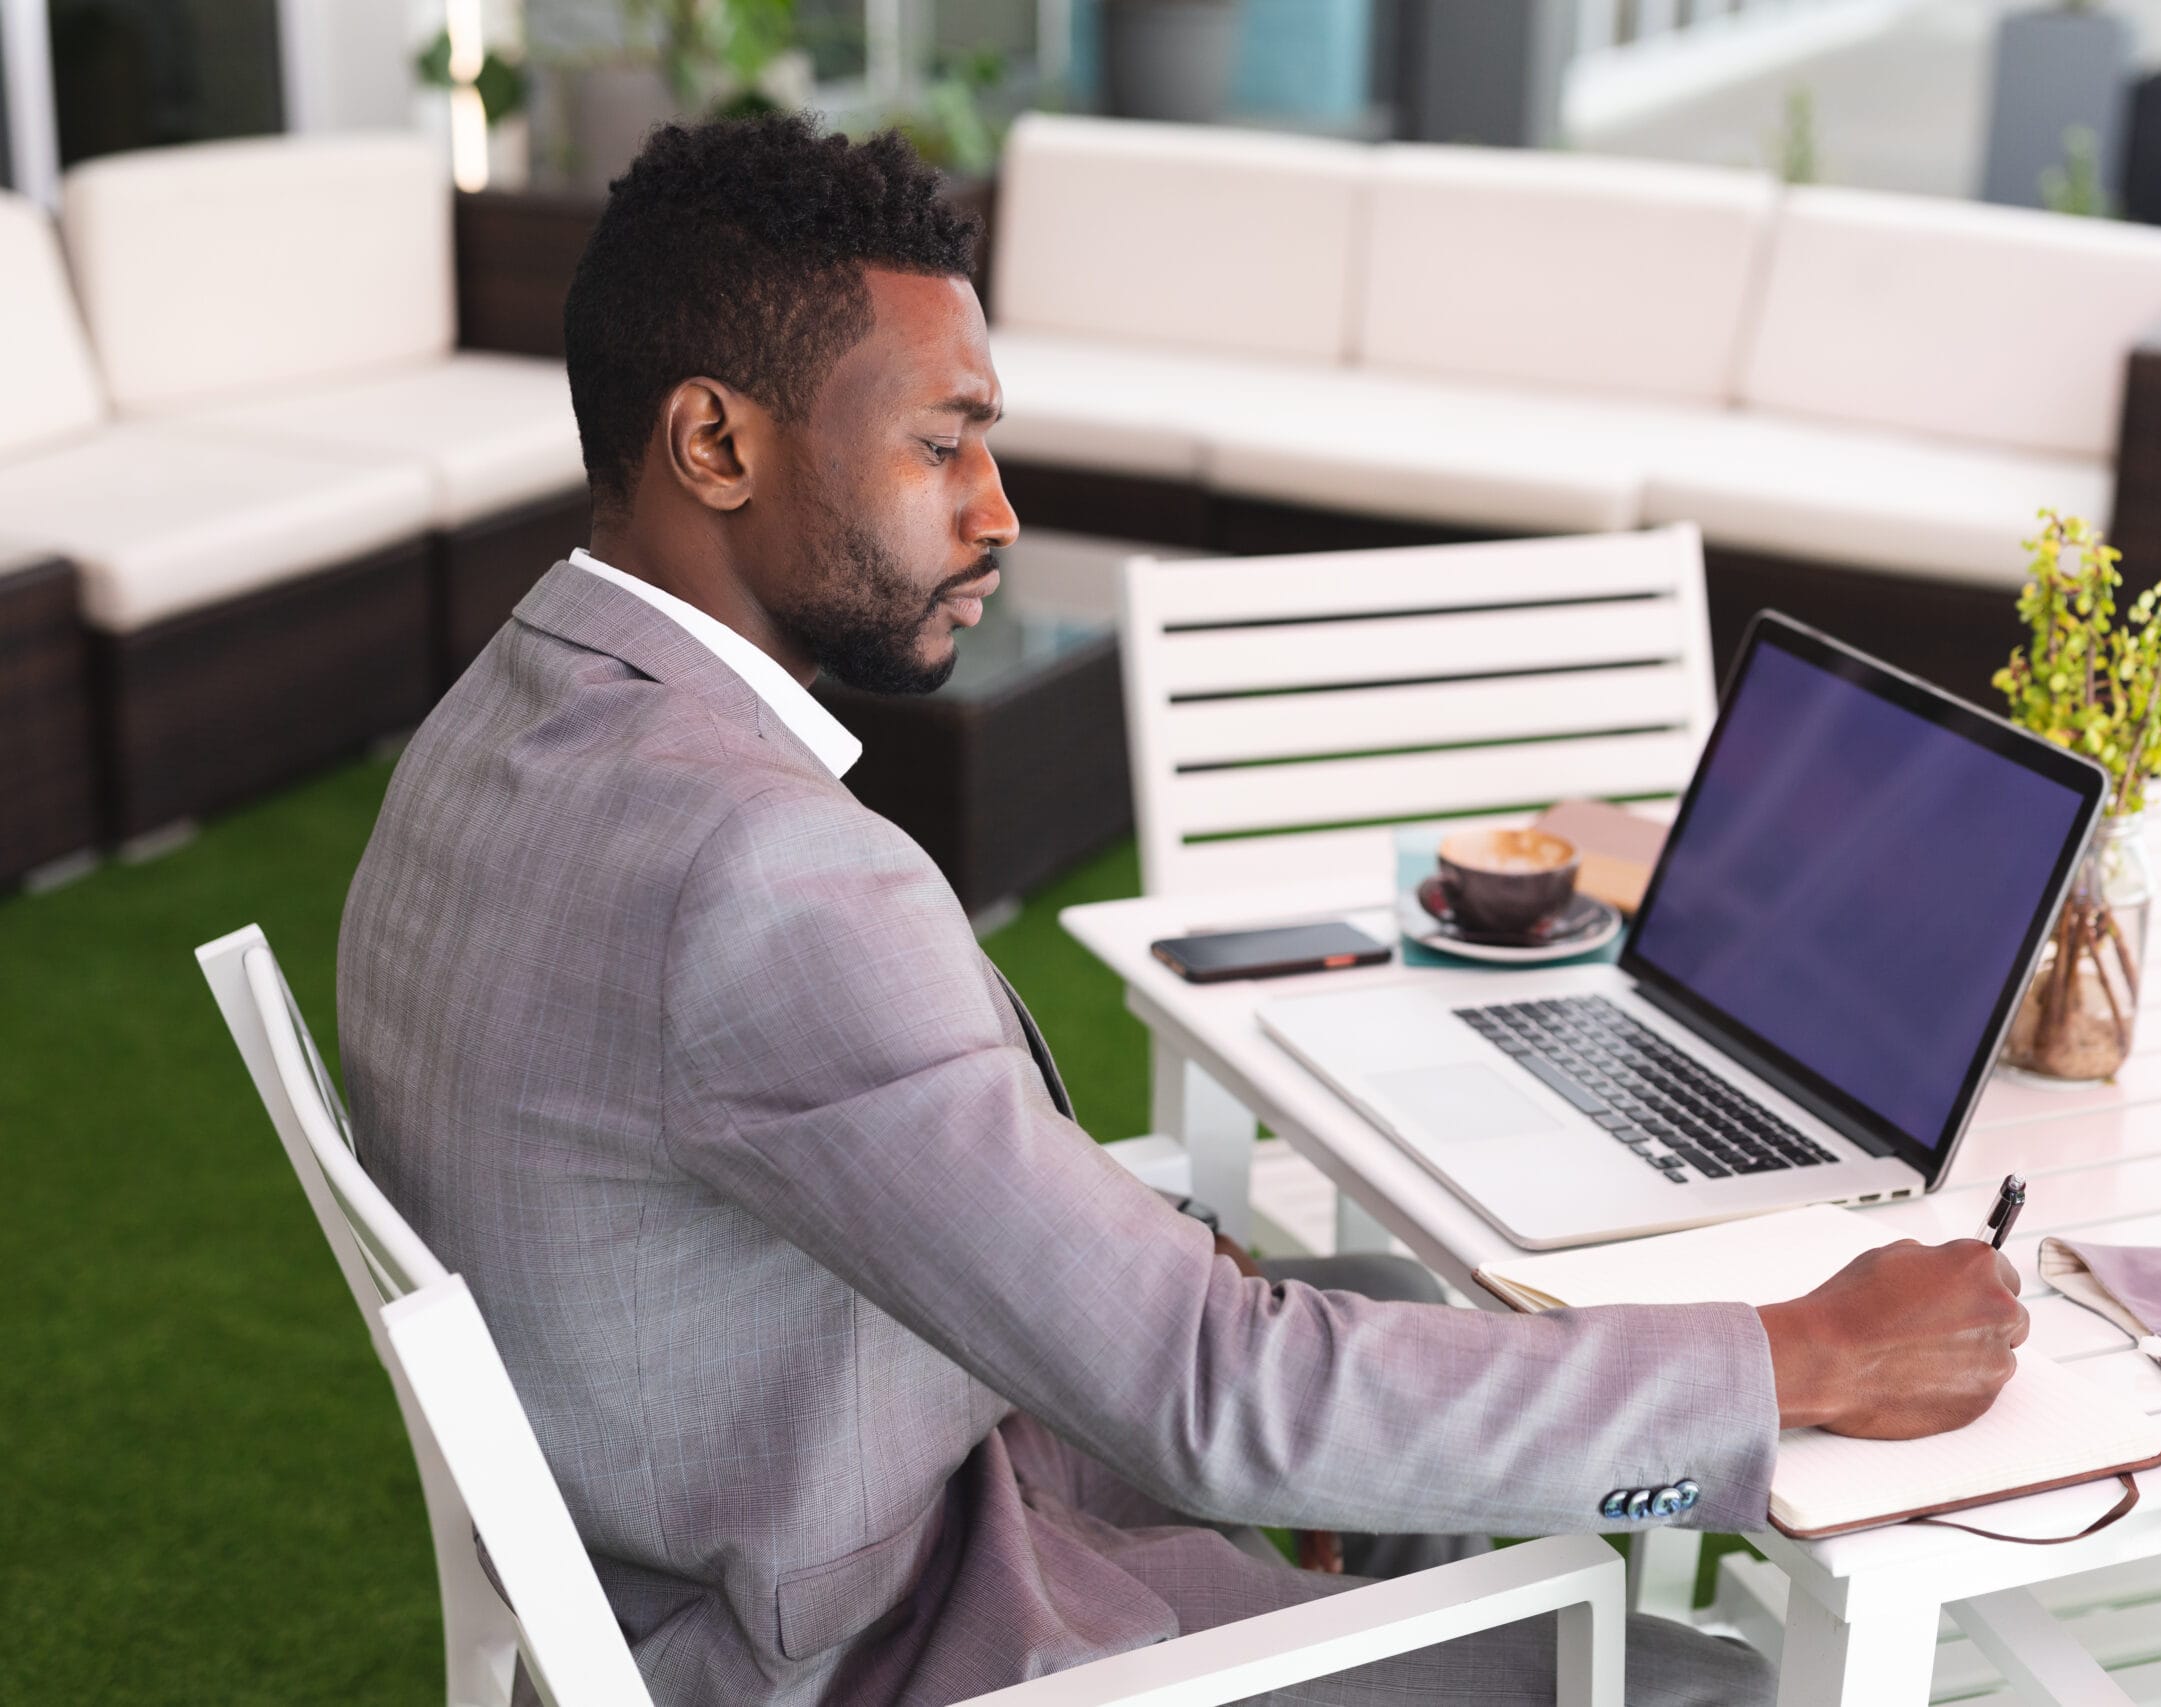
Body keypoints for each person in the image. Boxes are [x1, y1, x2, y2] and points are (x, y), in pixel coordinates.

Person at [338, 116, 2030, 1707]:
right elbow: (1224, 1401)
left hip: (722, 1484)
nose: (998, 510)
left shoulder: (503, 715)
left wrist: (1142, 1275)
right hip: (879, 1634)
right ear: (717, 441)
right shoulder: (758, 871)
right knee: (1701, 1687)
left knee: (1380, 1286)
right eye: (942, 443)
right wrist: (1799, 1357)